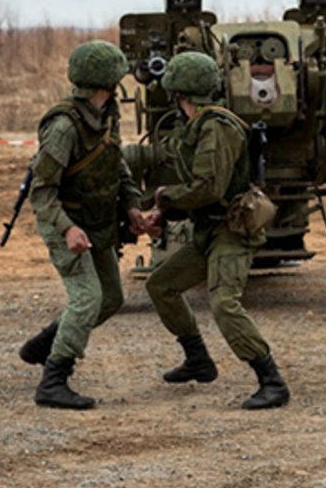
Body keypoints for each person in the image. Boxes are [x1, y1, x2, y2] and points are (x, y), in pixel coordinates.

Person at [143, 51, 290, 410]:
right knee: (161, 285)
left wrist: (164, 199)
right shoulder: (202, 125)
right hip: (208, 231)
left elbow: (209, 186)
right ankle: (198, 360)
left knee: (224, 302)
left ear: (179, 93)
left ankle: (272, 381)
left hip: (231, 231)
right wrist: (170, 209)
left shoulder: (216, 126)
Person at [17, 40, 146, 410]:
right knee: (87, 298)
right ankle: (53, 380)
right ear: (108, 82)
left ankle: (45, 345)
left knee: (111, 298)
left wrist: (133, 205)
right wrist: (66, 228)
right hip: (65, 223)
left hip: (97, 222)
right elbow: (41, 193)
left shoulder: (106, 115)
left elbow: (115, 165)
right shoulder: (63, 127)